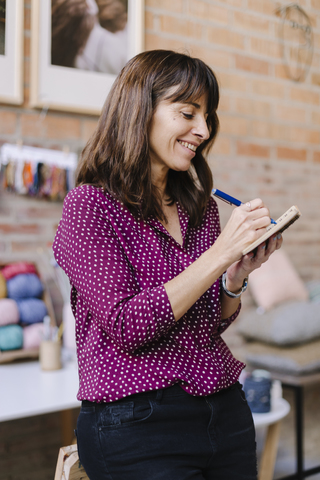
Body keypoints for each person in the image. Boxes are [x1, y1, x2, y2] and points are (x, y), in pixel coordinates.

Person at [53, 50, 283, 480]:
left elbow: (206, 325)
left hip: (224, 411)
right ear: (141, 110)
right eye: (188, 113)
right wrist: (220, 255)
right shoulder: (90, 207)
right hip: (136, 425)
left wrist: (235, 277)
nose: (202, 130)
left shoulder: (200, 209)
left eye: (207, 116)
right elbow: (126, 325)